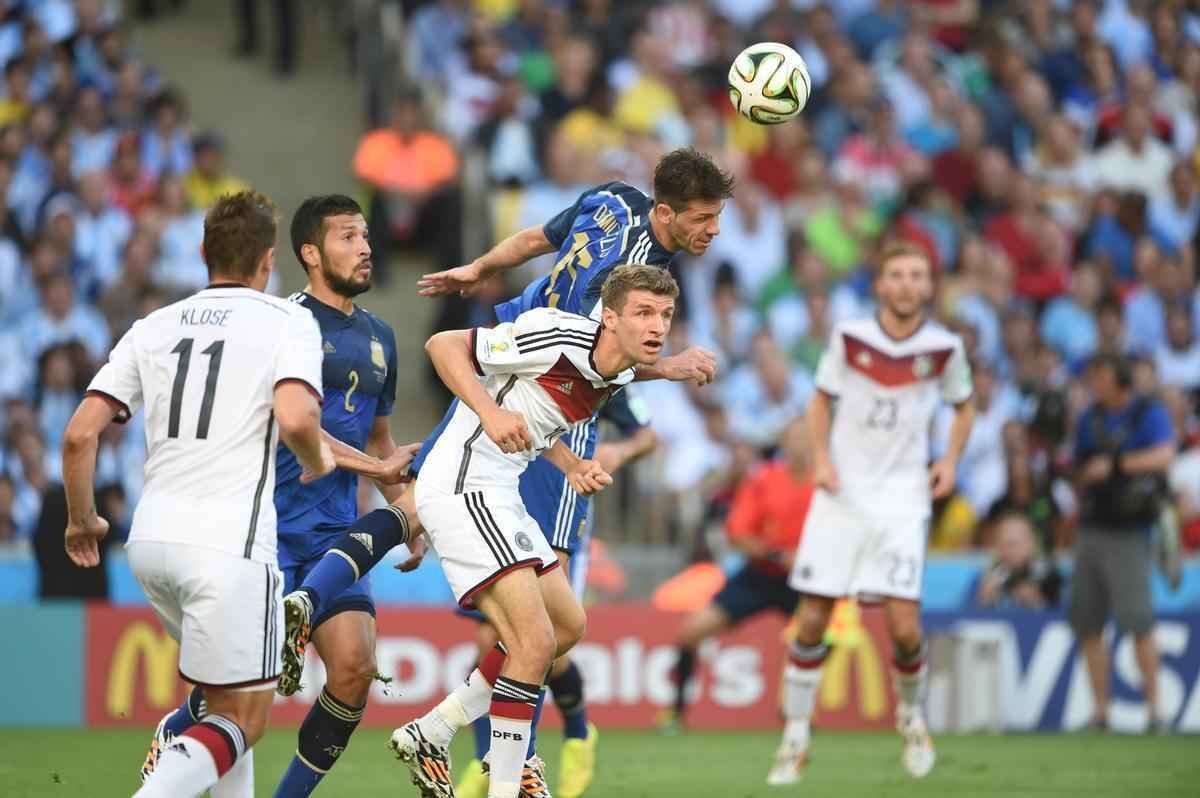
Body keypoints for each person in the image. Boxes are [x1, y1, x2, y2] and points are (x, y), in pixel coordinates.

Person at [413, 147, 731, 791]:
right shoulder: (632, 284)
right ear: (667, 213)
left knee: (545, 628)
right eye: (704, 217)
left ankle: (527, 744)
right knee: (533, 629)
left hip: (510, 356)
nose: (714, 230)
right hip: (553, 393)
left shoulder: (612, 197)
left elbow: (538, 237)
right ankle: (501, 758)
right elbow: (593, 359)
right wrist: (671, 365)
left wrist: (480, 266)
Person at [139, 195, 425, 798]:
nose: (366, 247)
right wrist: (380, 468)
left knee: (353, 668)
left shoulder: (381, 338)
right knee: (244, 696)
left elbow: (379, 438)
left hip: (335, 533)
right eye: (349, 237)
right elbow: (300, 426)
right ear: (310, 254)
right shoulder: (280, 324)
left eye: (367, 235)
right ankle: (177, 734)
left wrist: (406, 508)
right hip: (262, 530)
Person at [61, 191, 335, 798]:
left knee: (222, 704)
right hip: (229, 548)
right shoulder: (290, 321)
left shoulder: (152, 326)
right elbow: (295, 420)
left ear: (202, 252)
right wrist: (317, 460)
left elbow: (80, 434)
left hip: (151, 541)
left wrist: (81, 521)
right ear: (268, 262)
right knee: (245, 719)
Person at [390, 265, 680, 798]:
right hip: (462, 483)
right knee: (534, 640)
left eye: (664, 314)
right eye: (642, 312)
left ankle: (432, 730)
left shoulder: (614, 372)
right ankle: (508, 786)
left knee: (567, 626)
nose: (656, 325)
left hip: (501, 490)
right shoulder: (556, 333)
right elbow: (442, 346)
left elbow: (534, 416)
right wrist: (488, 412)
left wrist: (569, 463)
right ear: (610, 318)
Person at [767, 242, 975, 785]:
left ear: (929, 286)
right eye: (897, 275)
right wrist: (821, 460)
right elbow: (819, 400)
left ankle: (910, 716)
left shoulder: (945, 348)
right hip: (843, 497)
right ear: (880, 285)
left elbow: (965, 405)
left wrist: (950, 460)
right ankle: (795, 738)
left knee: (905, 629)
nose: (907, 284)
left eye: (917, 276)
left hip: (904, 500)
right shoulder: (850, 337)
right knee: (811, 618)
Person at [663, 416, 814, 731]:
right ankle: (676, 713)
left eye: (807, 437)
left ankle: (800, 716)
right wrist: (776, 554)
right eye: (795, 437)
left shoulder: (827, 483)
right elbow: (737, 534)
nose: (801, 444)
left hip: (807, 579)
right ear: (784, 443)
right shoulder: (764, 480)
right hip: (761, 574)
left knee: (818, 639)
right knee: (690, 632)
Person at [1071, 353, 1175, 732]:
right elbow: (1078, 465)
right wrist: (1082, 474)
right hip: (1092, 526)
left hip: (1130, 530)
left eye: (1100, 376)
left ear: (1118, 379)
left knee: (1138, 622)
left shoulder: (1148, 411)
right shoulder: (1089, 417)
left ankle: (1155, 711)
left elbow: (1164, 455)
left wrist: (1116, 466)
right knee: (1088, 624)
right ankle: (1101, 712)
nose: (1094, 384)